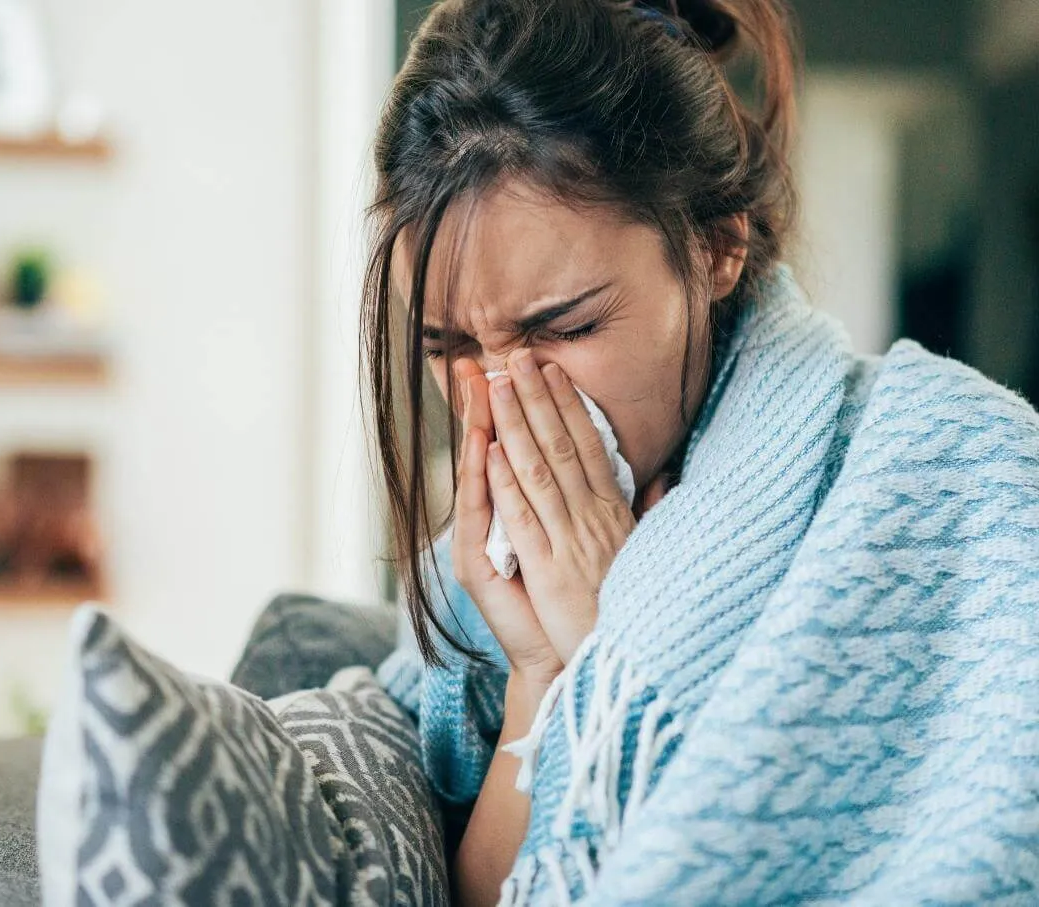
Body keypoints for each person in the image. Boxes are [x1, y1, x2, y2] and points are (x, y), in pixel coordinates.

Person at [363, 1, 1039, 904]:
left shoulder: (957, 470)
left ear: (720, 245)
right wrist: (546, 673)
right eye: (450, 349)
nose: (501, 400)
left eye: (563, 327)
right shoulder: (472, 591)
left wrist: (630, 640)